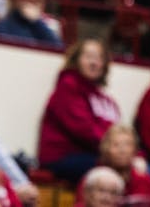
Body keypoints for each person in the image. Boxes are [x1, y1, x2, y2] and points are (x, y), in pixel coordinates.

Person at [38, 38, 121, 182]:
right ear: (76, 60)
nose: (94, 63)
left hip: (97, 154)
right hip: (64, 156)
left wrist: (132, 153)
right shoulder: (68, 87)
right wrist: (117, 151)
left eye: (99, 58)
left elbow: (120, 132)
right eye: (89, 57)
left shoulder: (106, 99)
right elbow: (84, 131)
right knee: (117, 169)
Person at [77, 125, 150, 207]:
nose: (122, 150)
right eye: (116, 145)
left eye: (128, 145)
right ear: (106, 148)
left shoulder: (145, 181)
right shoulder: (92, 180)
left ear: (135, 150)